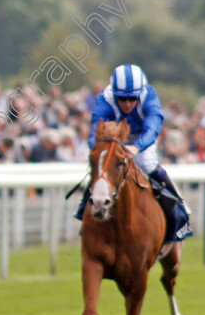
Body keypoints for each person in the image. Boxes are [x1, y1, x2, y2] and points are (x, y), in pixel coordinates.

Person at [76, 64, 190, 227]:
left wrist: (136, 147)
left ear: (140, 94)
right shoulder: (105, 98)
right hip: (116, 137)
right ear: (114, 94)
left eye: (132, 98)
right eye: (122, 98)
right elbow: (95, 132)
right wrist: (98, 150)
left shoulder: (149, 96)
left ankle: (179, 205)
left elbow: (152, 129)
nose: (128, 104)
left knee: (146, 163)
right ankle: (84, 207)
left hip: (142, 137)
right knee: (104, 163)